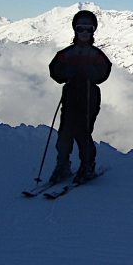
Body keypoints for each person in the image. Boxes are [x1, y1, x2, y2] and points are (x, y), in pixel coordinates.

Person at [48, 10, 112, 184]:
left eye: (88, 29)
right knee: (65, 132)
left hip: (89, 96)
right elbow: (54, 70)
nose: (84, 33)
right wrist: (63, 74)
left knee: (83, 132)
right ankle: (62, 164)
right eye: (80, 28)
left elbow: (104, 71)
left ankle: (86, 165)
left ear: (93, 31)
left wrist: (95, 75)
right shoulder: (68, 53)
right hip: (70, 96)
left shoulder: (95, 54)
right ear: (75, 29)